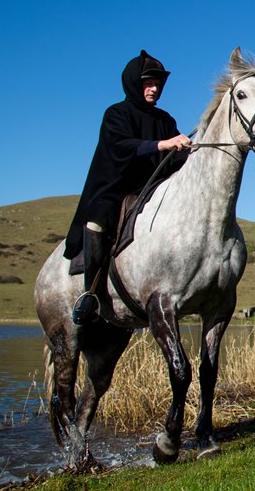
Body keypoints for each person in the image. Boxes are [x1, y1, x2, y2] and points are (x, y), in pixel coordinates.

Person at [66, 50, 191, 325]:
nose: (155, 88)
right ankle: (92, 294)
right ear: (134, 83)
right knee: (97, 220)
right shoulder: (116, 114)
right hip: (115, 189)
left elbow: (174, 159)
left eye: (158, 83)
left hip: (151, 190)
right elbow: (120, 147)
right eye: (148, 82)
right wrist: (163, 144)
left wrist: (191, 151)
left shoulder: (165, 120)